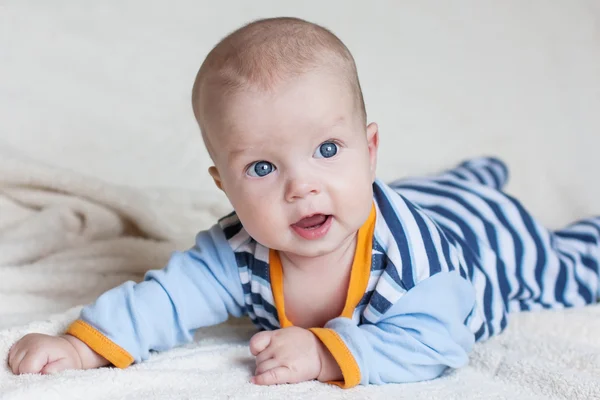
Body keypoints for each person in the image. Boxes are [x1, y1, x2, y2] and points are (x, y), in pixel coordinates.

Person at [7, 17, 600, 388]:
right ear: (225, 186)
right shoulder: (237, 249)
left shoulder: (420, 264)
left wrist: (323, 353)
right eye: (262, 167)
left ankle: (485, 185)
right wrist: (80, 345)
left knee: (569, 268)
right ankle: (471, 175)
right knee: (440, 188)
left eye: (327, 148)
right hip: (414, 200)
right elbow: (164, 299)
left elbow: (434, 344)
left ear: (370, 149)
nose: (301, 187)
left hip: (485, 240)